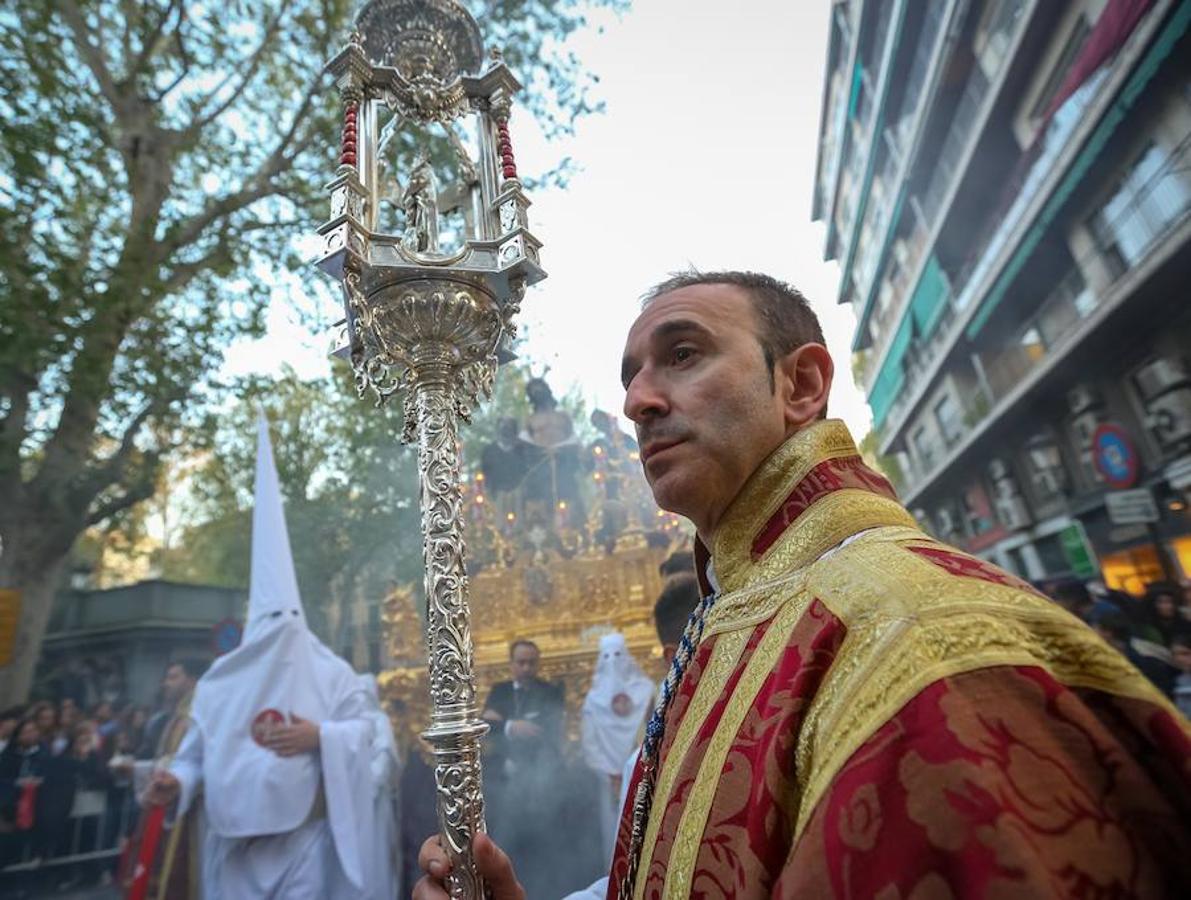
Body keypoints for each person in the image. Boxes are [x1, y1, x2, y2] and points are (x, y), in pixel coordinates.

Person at [416, 270, 1191, 898]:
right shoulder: (731, 619)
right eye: (630, 378)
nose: (636, 402)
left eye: (682, 354)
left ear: (801, 383)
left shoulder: (913, 628)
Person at [144, 414, 388, 899]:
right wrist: (177, 780)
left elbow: (368, 732)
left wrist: (321, 736)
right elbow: (197, 755)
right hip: (234, 848)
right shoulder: (219, 682)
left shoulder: (333, 674)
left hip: (305, 840)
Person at [480, 639, 565, 897]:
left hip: (538, 781)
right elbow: (485, 726)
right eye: (521, 662)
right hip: (503, 783)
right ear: (512, 664)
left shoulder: (549, 692)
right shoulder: (500, 691)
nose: (526, 668)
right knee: (505, 842)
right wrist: (512, 726)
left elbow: (548, 730)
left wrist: (501, 722)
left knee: (540, 844)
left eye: (531, 662)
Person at [124, 658, 207, 899]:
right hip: (168, 806)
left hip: (190, 814)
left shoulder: (200, 714)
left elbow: (202, 764)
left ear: (191, 680)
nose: (165, 684)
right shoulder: (176, 715)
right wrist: (138, 769)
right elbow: (169, 760)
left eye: (173, 677)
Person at [580, 634, 654, 863]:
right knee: (615, 832)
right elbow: (589, 743)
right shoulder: (593, 701)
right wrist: (609, 773)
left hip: (645, 773)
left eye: (618, 654)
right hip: (608, 780)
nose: (613, 661)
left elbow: (655, 726)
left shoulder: (647, 690)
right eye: (607, 656)